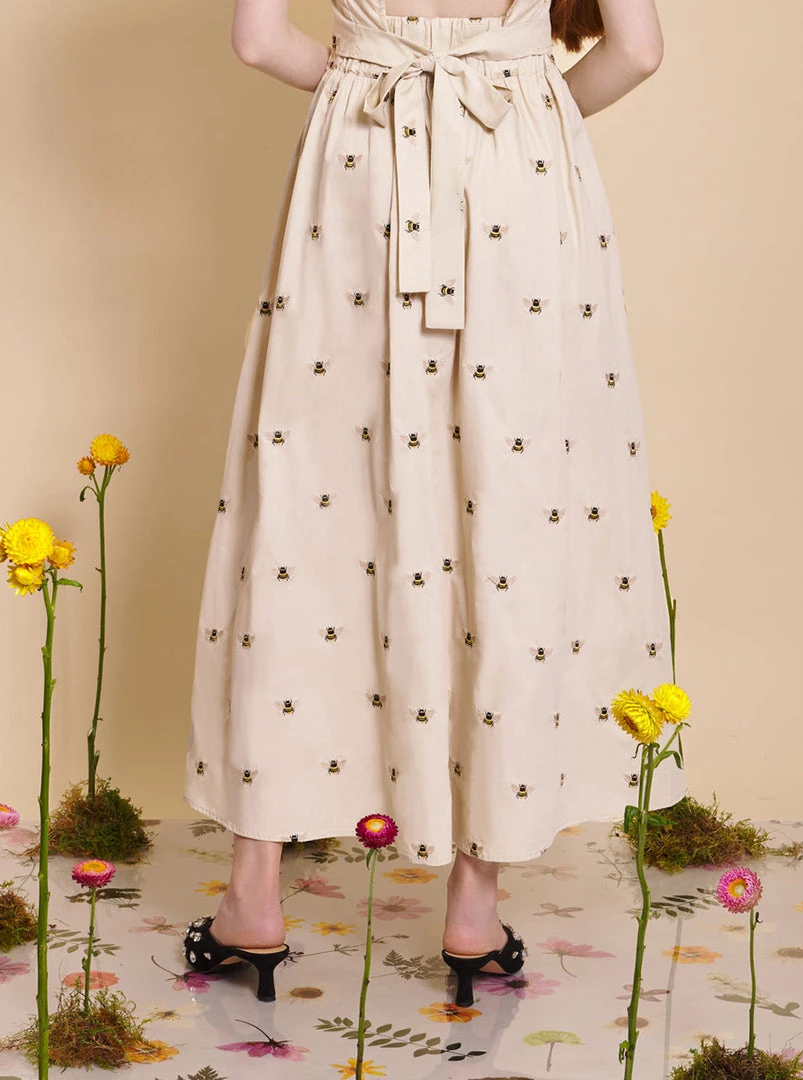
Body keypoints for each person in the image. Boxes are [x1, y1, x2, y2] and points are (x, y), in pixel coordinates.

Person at [182, 0, 684, 1008]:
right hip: (524, 166)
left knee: (312, 506)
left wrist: (371, 74)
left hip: (359, 162)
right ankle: (473, 907)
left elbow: (258, 40)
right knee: (514, 500)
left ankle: (255, 895)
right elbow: (636, 51)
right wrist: (522, 97)